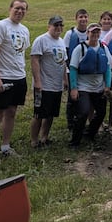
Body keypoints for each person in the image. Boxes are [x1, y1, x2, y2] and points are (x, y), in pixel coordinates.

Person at [0, 0, 31, 166]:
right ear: (10, 8)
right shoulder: (0, 27)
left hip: (19, 77)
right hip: (2, 77)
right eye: (17, 8)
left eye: (23, 9)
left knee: (12, 112)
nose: (20, 11)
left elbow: (19, 53)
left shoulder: (25, 30)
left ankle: (5, 147)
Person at [69, 23, 112, 147]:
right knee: (83, 113)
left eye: (97, 32)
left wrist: (107, 86)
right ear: (88, 33)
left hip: (98, 87)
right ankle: (75, 141)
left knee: (101, 112)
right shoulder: (80, 48)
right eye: (92, 32)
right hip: (83, 87)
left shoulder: (104, 48)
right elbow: (73, 68)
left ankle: (90, 134)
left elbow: (108, 68)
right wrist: (74, 88)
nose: (95, 35)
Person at [30, 15, 68, 149]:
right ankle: (34, 141)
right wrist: (38, 82)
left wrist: (65, 79)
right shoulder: (41, 40)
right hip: (43, 85)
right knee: (39, 114)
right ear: (49, 26)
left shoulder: (61, 41)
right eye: (55, 25)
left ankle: (44, 137)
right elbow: (34, 61)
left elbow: (63, 63)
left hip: (56, 86)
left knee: (51, 114)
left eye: (60, 25)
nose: (58, 28)